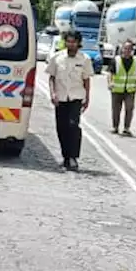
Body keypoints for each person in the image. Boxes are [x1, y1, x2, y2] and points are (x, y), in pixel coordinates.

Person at [45, 29, 92, 170]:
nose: (71, 44)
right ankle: (65, 156)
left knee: (73, 126)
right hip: (61, 97)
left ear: (78, 43)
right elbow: (52, 77)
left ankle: (73, 157)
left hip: (76, 97)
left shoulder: (84, 59)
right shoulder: (57, 57)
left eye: (74, 42)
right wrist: (52, 93)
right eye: (69, 41)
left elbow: (86, 80)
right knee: (61, 128)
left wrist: (87, 98)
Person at [108, 39, 136, 136]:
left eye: (129, 49)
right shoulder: (116, 60)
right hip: (116, 89)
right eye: (125, 48)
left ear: (132, 50)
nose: (127, 50)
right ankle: (115, 127)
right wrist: (110, 83)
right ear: (122, 49)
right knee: (116, 109)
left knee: (129, 108)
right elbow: (110, 73)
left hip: (130, 90)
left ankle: (127, 128)